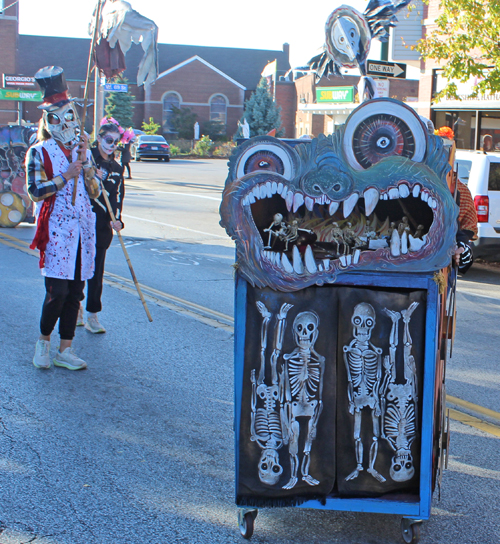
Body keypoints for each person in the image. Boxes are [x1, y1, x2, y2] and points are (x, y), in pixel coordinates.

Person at [27, 66, 101, 371]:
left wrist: (84, 168)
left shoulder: (82, 150)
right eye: (55, 115)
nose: (64, 121)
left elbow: (96, 192)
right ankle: (43, 342)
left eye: (67, 113)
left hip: (83, 228)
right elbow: (34, 191)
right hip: (56, 228)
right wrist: (64, 177)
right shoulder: (38, 151)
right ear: (47, 119)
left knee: (75, 292)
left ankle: (65, 348)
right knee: (56, 292)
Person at [78, 119, 125, 333]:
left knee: (97, 273)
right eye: (108, 140)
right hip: (83, 223)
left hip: (102, 227)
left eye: (116, 142)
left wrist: (117, 218)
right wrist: (90, 177)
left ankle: (93, 315)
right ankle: (76, 305)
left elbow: (117, 196)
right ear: (98, 139)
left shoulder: (116, 167)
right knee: (79, 268)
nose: (111, 145)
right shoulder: (88, 160)